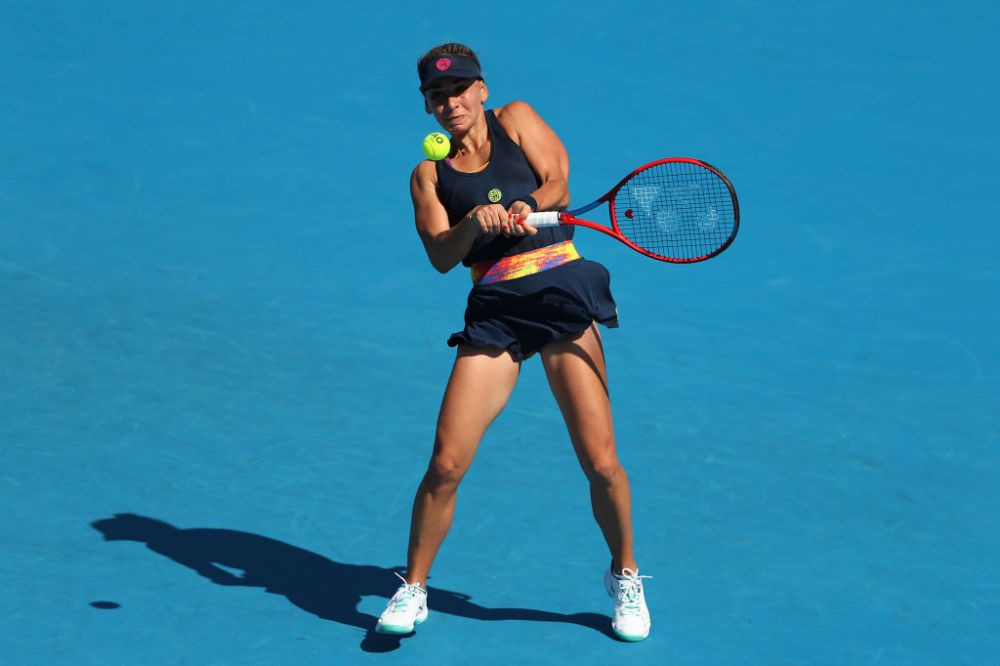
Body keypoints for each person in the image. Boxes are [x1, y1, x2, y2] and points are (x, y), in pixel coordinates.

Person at [375, 43, 651, 642]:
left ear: (481, 90)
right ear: (427, 106)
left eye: (459, 90)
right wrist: (472, 224)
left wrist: (527, 204)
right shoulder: (428, 175)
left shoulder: (517, 118)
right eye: (437, 95)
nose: (451, 103)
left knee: (601, 461)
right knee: (446, 461)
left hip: (559, 292)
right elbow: (440, 256)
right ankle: (414, 588)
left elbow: (558, 184)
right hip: (496, 309)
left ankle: (625, 574)